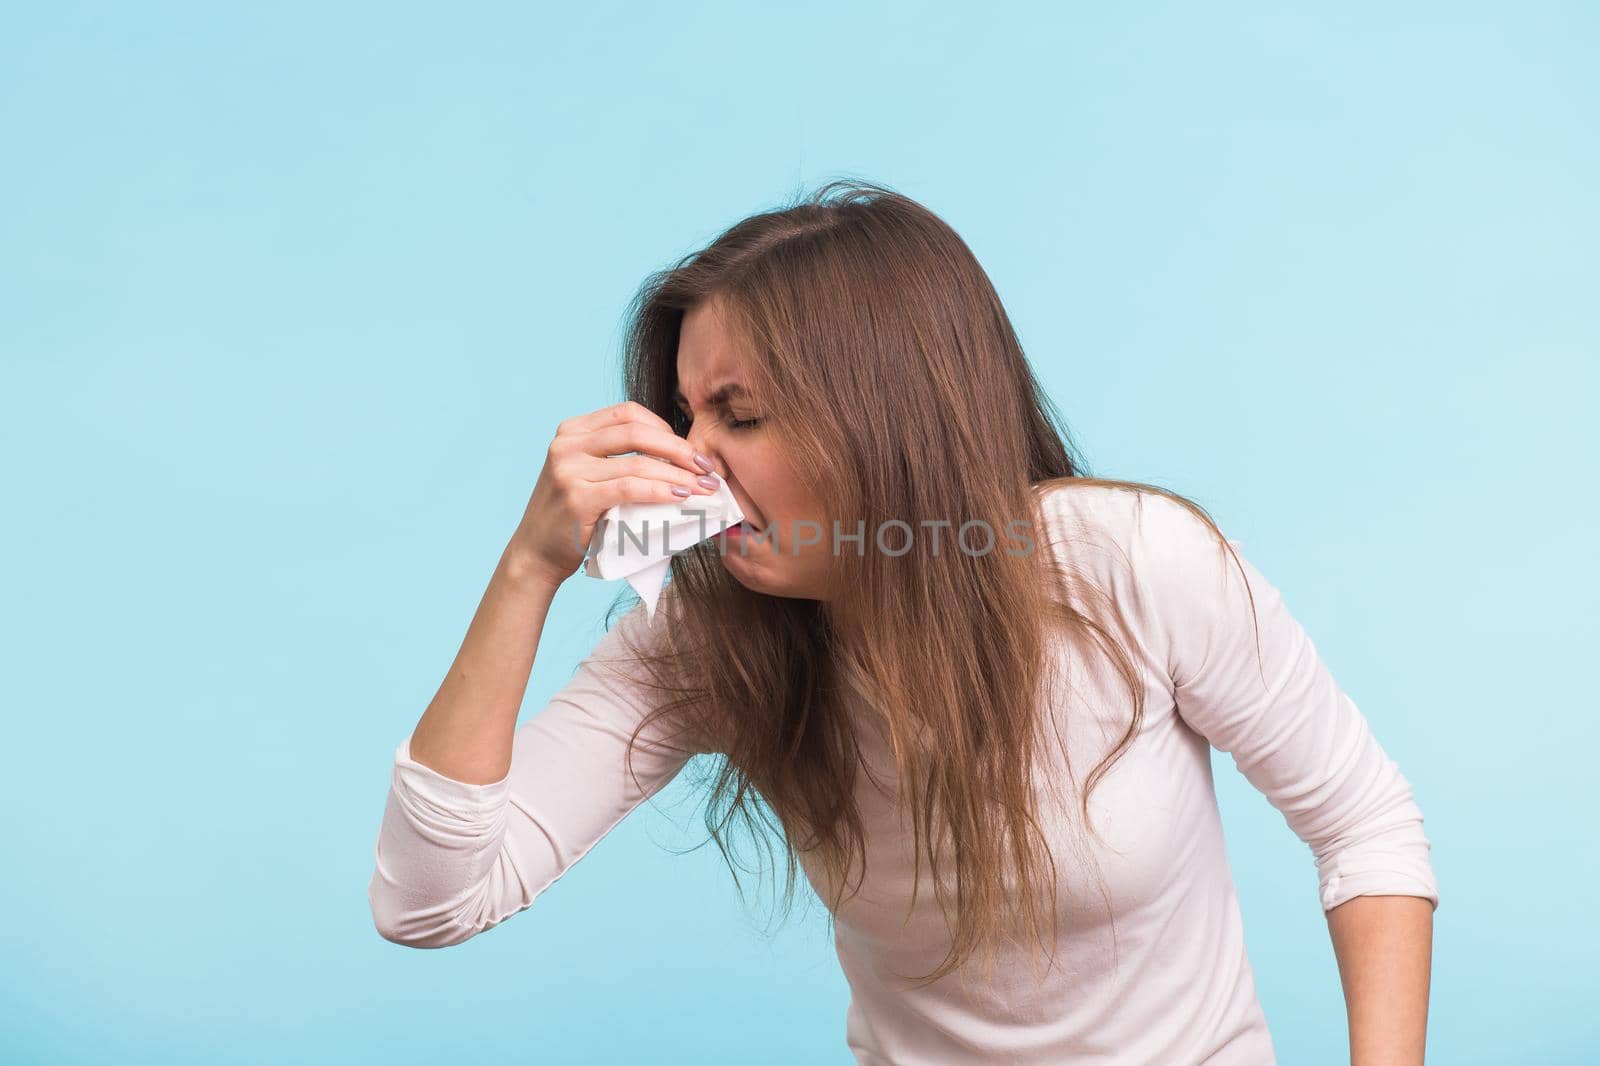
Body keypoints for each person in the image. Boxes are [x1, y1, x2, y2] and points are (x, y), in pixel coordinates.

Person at [366, 180, 1438, 1064]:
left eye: (737, 414)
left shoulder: (1132, 566)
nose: (693, 458)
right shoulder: (707, 633)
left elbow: (1366, 825)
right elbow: (432, 900)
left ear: (884, 415)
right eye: (685, 413)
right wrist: (528, 569)